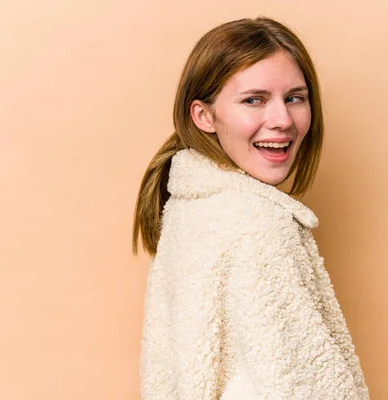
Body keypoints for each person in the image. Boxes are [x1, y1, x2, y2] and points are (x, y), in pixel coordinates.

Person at [132, 17, 370, 399]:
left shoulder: (191, 208)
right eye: (253, 100)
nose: (282, 120)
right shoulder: (258, 224)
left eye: (295, 98)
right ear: (204, 116)